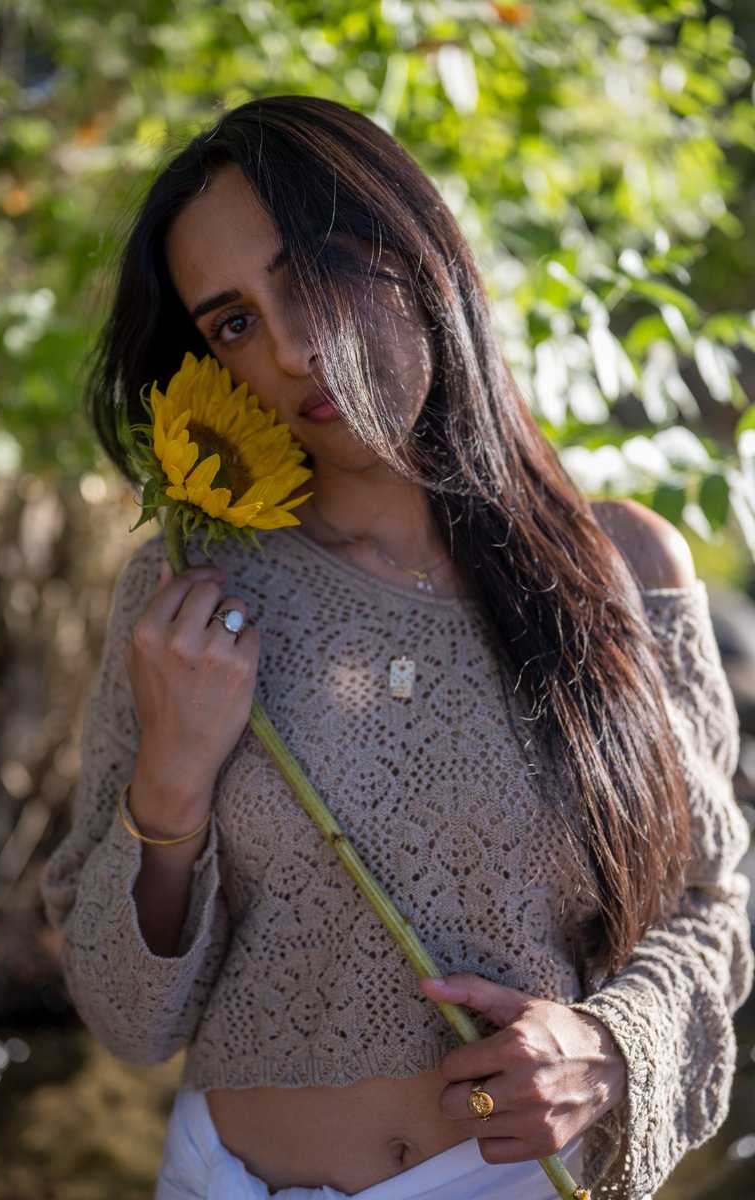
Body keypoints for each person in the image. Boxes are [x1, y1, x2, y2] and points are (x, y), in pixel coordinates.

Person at [41, 95, 752, 1200]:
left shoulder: (623, 566)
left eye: (307, 272)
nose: (285, 347)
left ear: (408, 246)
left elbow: (711, 901)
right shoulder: (192, 591)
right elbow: (127, 1019)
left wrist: (610, 1048)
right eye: (229, 322)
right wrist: (168, 794)